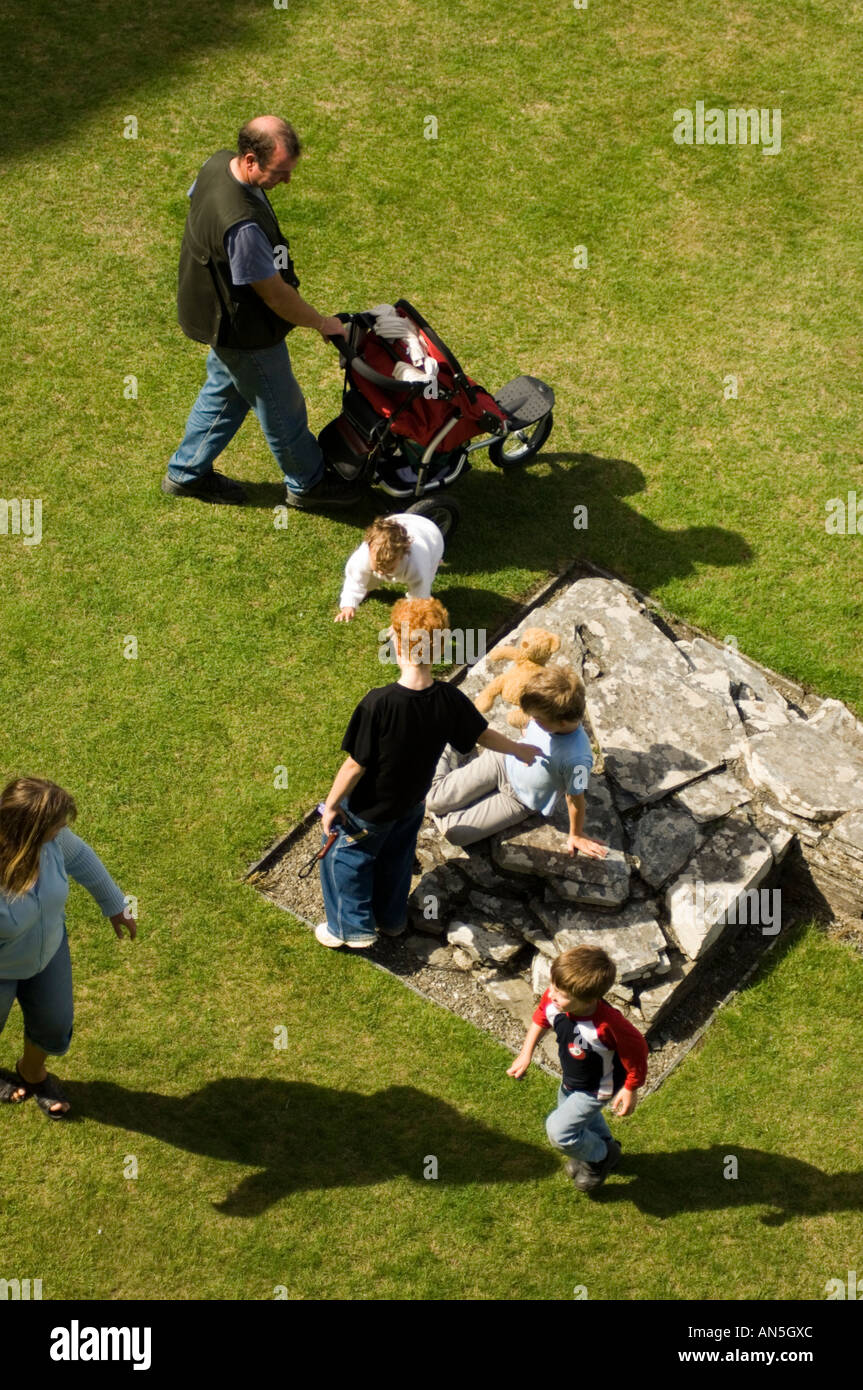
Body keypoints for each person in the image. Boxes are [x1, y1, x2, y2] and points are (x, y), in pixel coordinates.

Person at [316, 597, 541, 948]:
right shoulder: (448, 698)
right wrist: (518, 748)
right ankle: (391, 920)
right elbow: (480, 733)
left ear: (394, 639)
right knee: (396, 859)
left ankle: (350, 928)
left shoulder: (379, 703)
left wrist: (331, 805)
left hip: (369, 809)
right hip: (411, 805)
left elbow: (355, 765)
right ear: (440, 645)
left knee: (345, 857)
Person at [162, 115, 356, 510]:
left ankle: (185, 473)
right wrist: (322, 323)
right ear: (250, 160)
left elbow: (196, 204)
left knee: (226, 392)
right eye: (279, 172)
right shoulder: (242, 227)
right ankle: (308, 484)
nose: (287, 181)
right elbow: (275, 296)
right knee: (280, 405)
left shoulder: (217, 163)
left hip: (216, 315)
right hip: (244, 329)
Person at [0, 778, 136, 1118]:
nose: (63, 829)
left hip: (48, 953)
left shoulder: (54, 841)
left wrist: (114, 904)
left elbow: (81, 857)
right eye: (57, 824)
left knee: (55, 1023)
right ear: (30, 830)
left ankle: (32, 1072)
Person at [426, 664, 608, 854]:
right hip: (501, 762)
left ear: (561, 722)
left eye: (537, 719)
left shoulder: (578, 760)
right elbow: (528, 727)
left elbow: (576, 799)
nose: (532, 719)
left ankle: (438, 798)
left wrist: (576, 834)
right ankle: (443, 746)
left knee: (455, 834)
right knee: (433, 801)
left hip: (518, 801)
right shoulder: (548, 715)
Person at [507, 945, 648, 1191]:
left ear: (588, 999)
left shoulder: (608, 1025)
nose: (551, 995)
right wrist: (525, 1053)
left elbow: (637, 1050)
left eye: (560, 993)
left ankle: (599, 1158)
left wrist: (630, 1088)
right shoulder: (555, 1002)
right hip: (571, 1081)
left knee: (559, 1132)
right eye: (553, 986)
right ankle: (606, 1149)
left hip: (596, 1089)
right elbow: (541, 1017)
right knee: (581, 1122)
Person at [334, 514, 445, 623]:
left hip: (431, 535)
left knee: (426, 578)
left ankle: (435, 562)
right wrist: (349, 604)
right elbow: (354, 579)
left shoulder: (417, 565)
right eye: (378, 567)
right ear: (369, 548)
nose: (382, 572)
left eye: (389, 568)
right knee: (367, 576)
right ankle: (368, 588)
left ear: (402, 556)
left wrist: (406, 621)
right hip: (399, 520)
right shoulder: (363, 555)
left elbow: (419, 598)